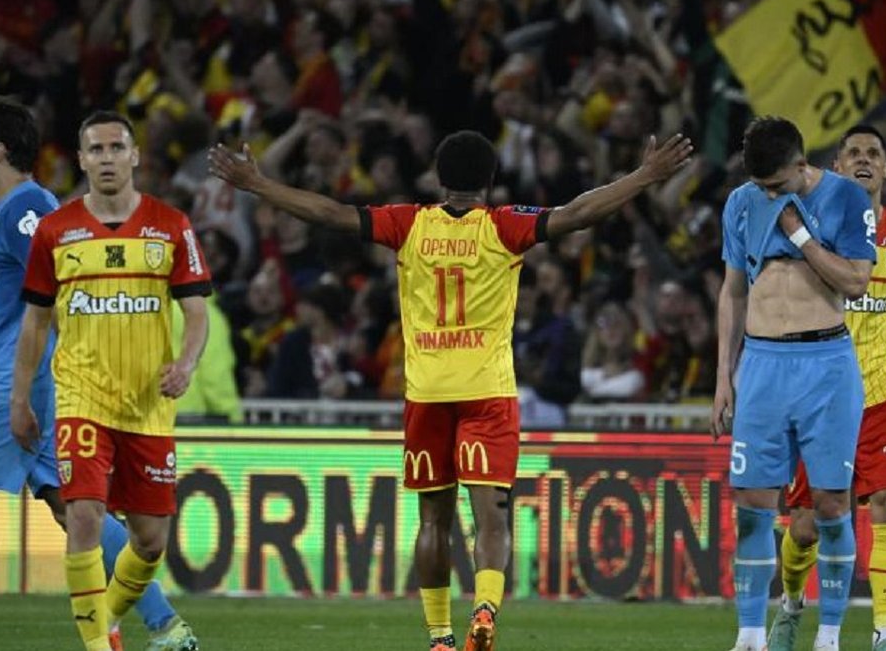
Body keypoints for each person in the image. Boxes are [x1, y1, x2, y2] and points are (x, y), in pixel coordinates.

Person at [209, 129, 693, 651]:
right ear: (491, 180)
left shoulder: (409, 223)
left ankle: (439, 637)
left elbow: (330, 213)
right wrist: (645, 175)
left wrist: (259, 184)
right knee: (491, 517)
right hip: (487, 390)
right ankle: (484, 609)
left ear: (439, 180)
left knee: (433, 521)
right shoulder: (504, 226)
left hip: (427, 393)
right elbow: (577, 214)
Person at [0, 98, 198, 651]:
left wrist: (33, 388)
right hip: (43, 381)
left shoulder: (29, 211)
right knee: (70, 507)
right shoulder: (10, 214)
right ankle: (167, 626)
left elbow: (63, 283)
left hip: (20, 380)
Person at [9, 111, 211, 651]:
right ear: (80, 160)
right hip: (82, 397)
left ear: (135, 155)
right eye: (95, 149)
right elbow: (35, 322)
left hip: (148, 405)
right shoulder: (56, 231)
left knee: (150, 542)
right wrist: (19, 397)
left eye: (116, 148)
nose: (106, 158)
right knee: (84, 516)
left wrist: (187, 364)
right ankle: (98, 646)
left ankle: (107, 619)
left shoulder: (172, 225)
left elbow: (196, 312)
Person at [711, 116, 876, 651]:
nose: (767, 194)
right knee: (752, 504)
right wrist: (724, 377)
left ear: (802, 165)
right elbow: (733, 291)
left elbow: (856, 281)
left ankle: (828, 636)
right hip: (761, 365)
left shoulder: (847, 198)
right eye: (760, 185)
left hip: (826, 365)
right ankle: (749, 636)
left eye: (777, 185)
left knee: (830, 505)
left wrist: (800, 234)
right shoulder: (740, 203)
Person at [768, 125, 886, 651]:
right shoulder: (810, 229)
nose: (863, 159)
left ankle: (885, 634)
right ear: (836, 168)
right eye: (852, 152)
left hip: (881, 393)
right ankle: (791, 605)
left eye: (873, 153)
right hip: (821, 396)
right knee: (806, 526)